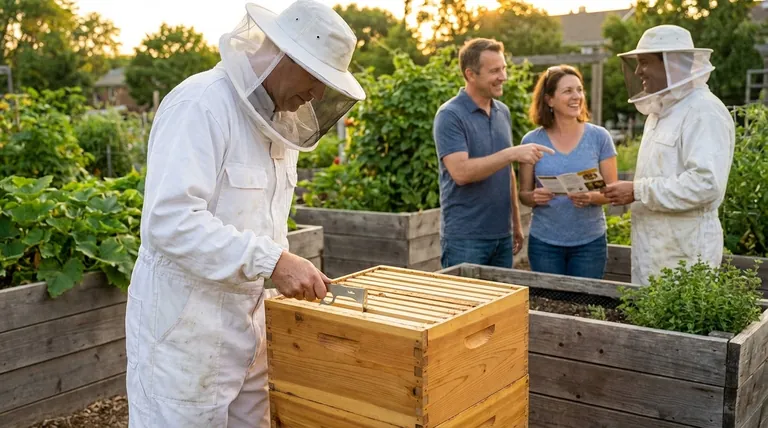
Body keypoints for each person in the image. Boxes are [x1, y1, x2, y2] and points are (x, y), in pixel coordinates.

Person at [123, 1, 365, 427]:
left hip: (250, 330)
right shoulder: (200, 104)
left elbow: (257, 224)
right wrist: (273, 261)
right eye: (317, 77)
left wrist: (279, 275)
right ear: (286, 56)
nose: (319, 95)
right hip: (185, 338)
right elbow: (170, 221)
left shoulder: (280, 123)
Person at [602, 25, 735, 285]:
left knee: (680, 323)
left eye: (644, 62)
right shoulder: (660, 112)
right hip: (655, 250)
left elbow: (707, 184)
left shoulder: (703, 111)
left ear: (673, 64)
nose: (638, 71)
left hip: (685, 252)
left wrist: (637, 191)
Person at [433, 38, 554, 270]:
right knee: (465, 305)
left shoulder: (502, 112)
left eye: (503, 68)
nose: (503, 77)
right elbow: (461, 173)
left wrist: (515, 223)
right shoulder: (450, 115)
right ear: (470, 74)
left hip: (501, 236)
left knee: (501, 307)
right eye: (495, 71)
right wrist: (511, 154)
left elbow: (507, 172)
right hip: (465, 238)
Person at [518, 65, 618, 279]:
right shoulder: (531, 141)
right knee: (550, 306)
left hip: (589, 244)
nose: (577, 97)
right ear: (549, 100)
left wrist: (591, 197)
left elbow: (612, 191)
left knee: (585, 306)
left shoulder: (599, 137)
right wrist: (533, 196)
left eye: (579, 90)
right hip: (544, 244)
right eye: (568, 91)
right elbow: (524, 194)